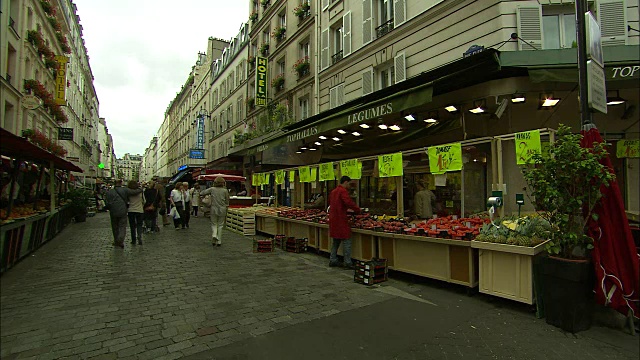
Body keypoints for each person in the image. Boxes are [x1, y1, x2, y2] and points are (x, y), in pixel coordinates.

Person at [328, 176, 361, 269]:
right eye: (349, 184)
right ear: (345, 182)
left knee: (335, 240)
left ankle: (333, 259)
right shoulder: (342, 191)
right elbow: (348, 202)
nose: (349, 186)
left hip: (333, 219)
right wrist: (357, 209)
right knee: (347, 240)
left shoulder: (333, 191)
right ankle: (347, 262)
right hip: (340, 219)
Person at [105, 179, 142, 248]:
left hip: (113, 211)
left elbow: (107, 201)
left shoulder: (110, 192)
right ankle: (120, 239)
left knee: (114, 226)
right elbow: (135, 192)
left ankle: (116, 240)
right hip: (122, 210)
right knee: (122, 226)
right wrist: (140, 188)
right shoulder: (125, 190)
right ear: (121, 183)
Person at [200, 176, 230, 247]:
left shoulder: (212, 189)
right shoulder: (225, 190)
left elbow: (202, 193)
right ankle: (219, 240)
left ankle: (214, 235)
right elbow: (227, 200)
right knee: (220, 224)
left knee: (214, 223)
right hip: (222, 209)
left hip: (214, 208)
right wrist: (226, 206)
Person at [127, 180, 145, 245]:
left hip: (131, 210)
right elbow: (144, 201)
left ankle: (133, 239)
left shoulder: (128, 192)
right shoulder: (140, 192)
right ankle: (139, 237)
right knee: (139, 224)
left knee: (132, 226)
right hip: (139, 210)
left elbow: (127, 201)